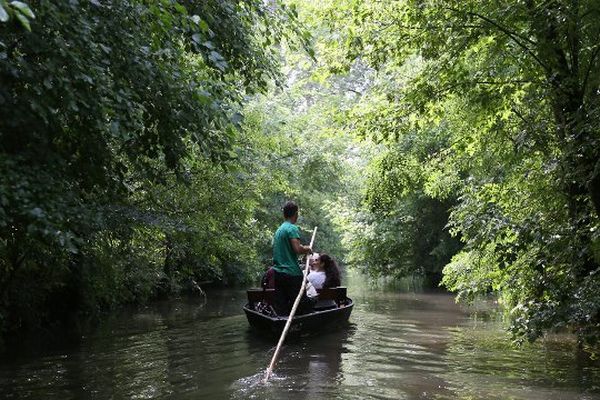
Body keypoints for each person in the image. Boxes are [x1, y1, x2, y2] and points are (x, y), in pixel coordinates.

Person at [272, 201, 313, 316]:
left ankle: (281, 325)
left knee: (282, 307)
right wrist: (307, 249)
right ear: (296, 214)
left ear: (284, 214)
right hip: (292, 273)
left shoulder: (279, 230)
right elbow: (297, 249)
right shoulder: (292, 228)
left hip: (278, 273)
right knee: (300, 305)